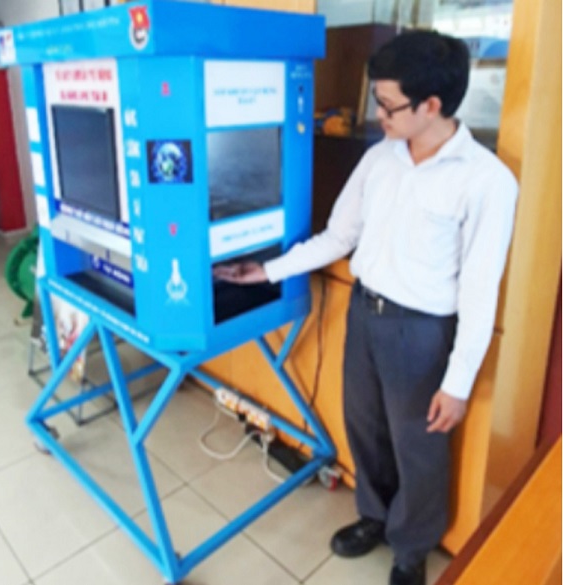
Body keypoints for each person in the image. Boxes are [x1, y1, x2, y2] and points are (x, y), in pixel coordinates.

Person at [213, 30, 518, 585]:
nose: (377, 115)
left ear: (431, 105)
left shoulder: (486, 181)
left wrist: (458, 383)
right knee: (366, 428)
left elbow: (480, 289)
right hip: (365, 313)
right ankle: (374, 517)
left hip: (421, 332)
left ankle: (411, 549)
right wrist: (267, 270)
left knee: (418, 446)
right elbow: (339, 235)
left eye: (387, 104)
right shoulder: (381, 158)